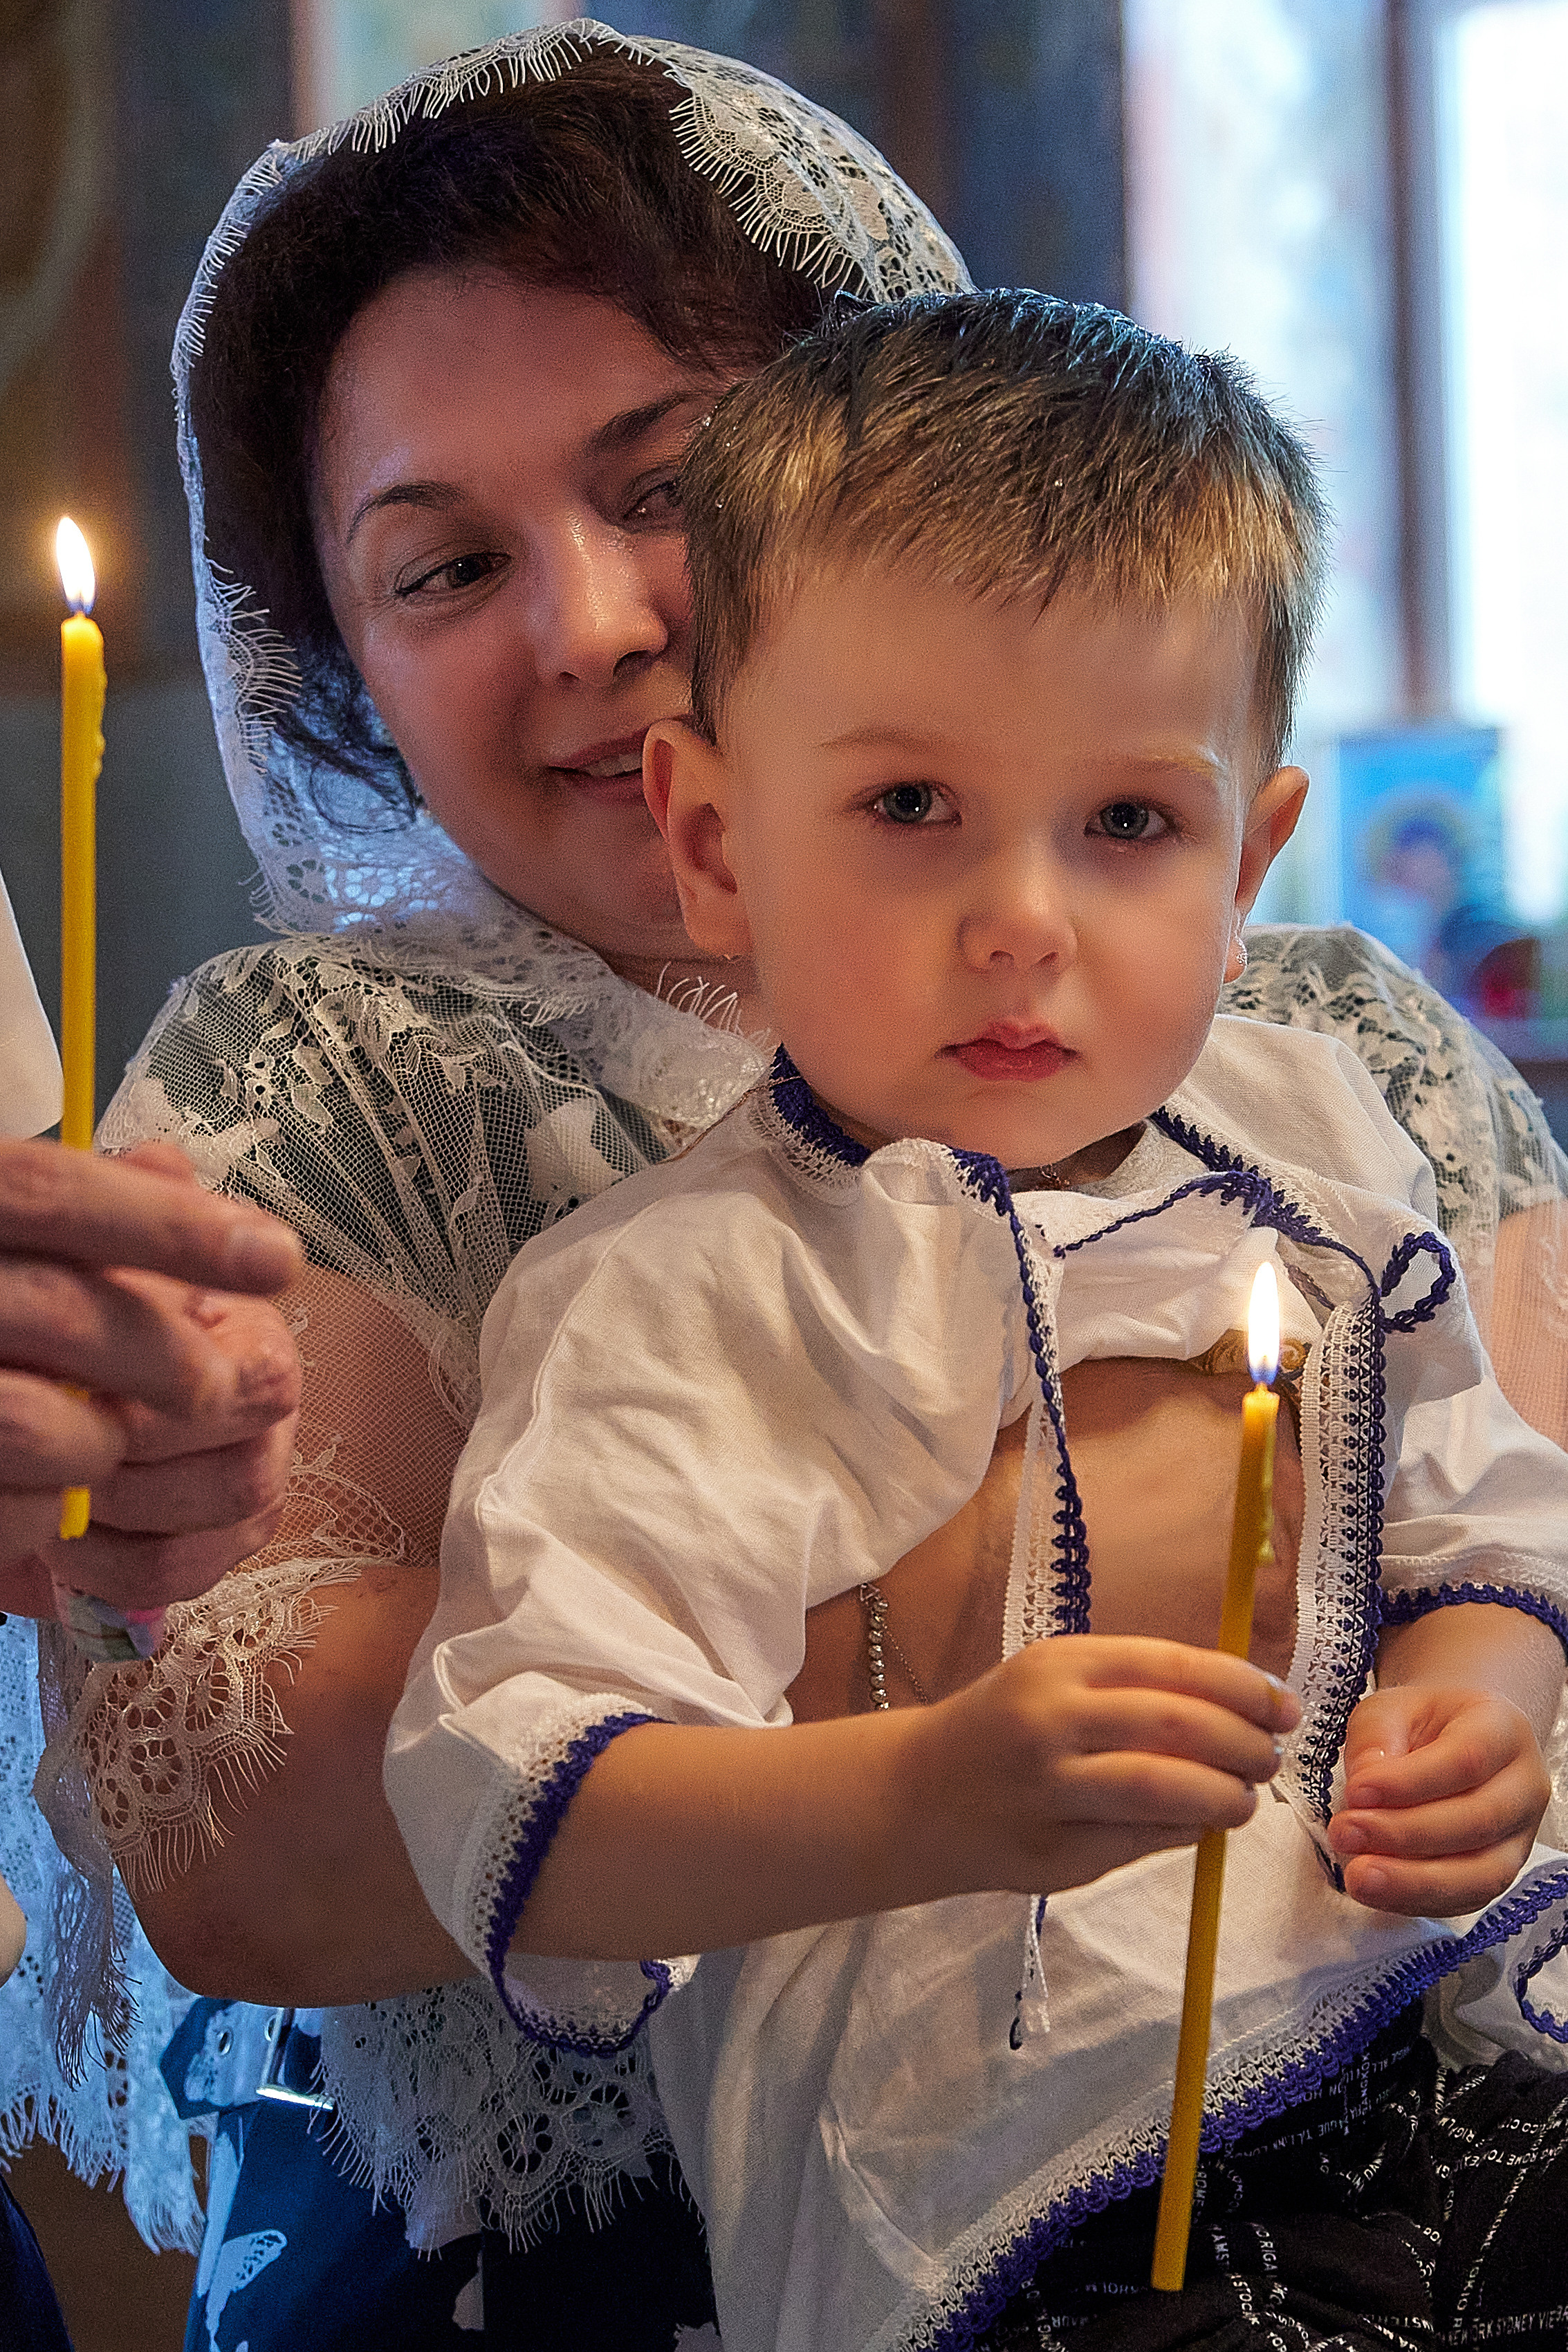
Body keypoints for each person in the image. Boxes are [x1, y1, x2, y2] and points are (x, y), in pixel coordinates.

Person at [8, 21, 1563, 2352]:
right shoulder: (326, 1079)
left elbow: (1504, 1500)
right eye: (441, 570)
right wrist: (967, 1640)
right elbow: (255, 1831)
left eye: (674, 483)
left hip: (1410, 2058)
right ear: (340, 666)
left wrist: (1469, 1661)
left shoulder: (1313, 1047)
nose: (598, 625)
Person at [385, 293, 1568, 2352]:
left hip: (1427, 2041)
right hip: (1002, 2193)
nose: (1023, 916)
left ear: (1248, 857)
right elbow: (530, 1802)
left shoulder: (1314, 1139)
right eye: (911, 807)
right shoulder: (686, 1302)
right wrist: (920, 1795)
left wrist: (1476, 1707)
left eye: (1126, 824)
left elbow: (1480, 1521)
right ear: (712, 836)